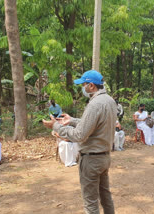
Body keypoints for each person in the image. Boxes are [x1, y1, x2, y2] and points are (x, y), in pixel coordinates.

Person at [43, 70, 116, 214]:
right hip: (104, 157)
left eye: (84, 85)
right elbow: (94, 124)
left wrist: (56, 126)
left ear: (91, 86)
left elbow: (80, 135)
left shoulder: (94, 104)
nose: (82, 88)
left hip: (91, 159)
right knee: (105, 196)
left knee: (90, 202)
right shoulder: (109, 101)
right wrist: (72, 121)